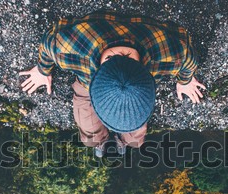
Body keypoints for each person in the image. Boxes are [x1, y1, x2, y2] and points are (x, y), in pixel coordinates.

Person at [20, 10, 206, 157]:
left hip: (99, 58)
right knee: (95, 139)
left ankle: (120, 142)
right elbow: (48, 43)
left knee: (129, 140)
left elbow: (50, 40)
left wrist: (186, 80)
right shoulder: (71, 48)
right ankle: (102, 142)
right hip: (91, 79)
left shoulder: (175, 53)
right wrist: (42, 70)